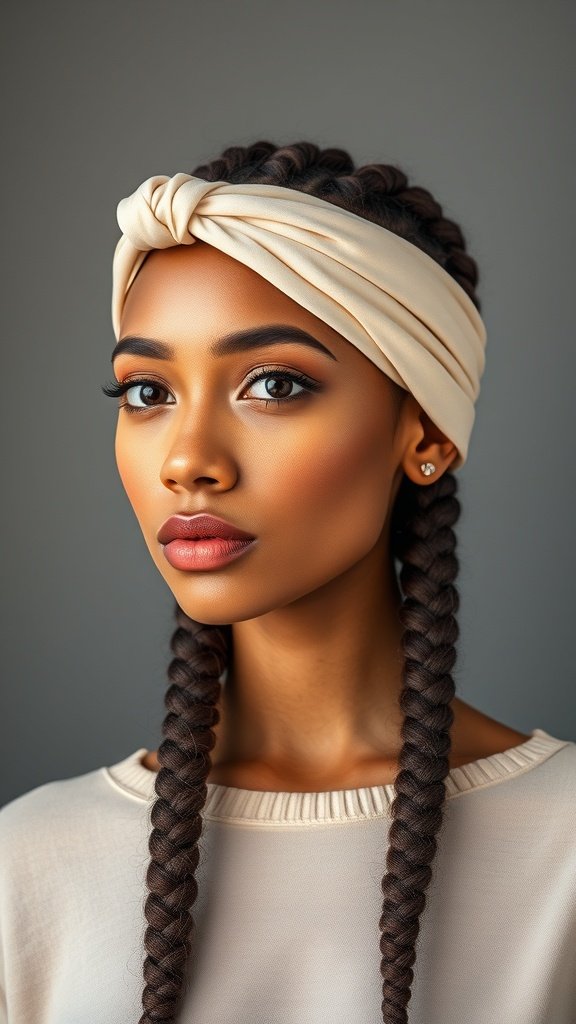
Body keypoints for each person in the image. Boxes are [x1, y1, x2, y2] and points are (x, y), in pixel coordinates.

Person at [0, 140, 574, 1024]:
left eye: (272, 384)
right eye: (147, 393)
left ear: (424, 434)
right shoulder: (27, 864)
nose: (188, 461)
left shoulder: (563, 846)